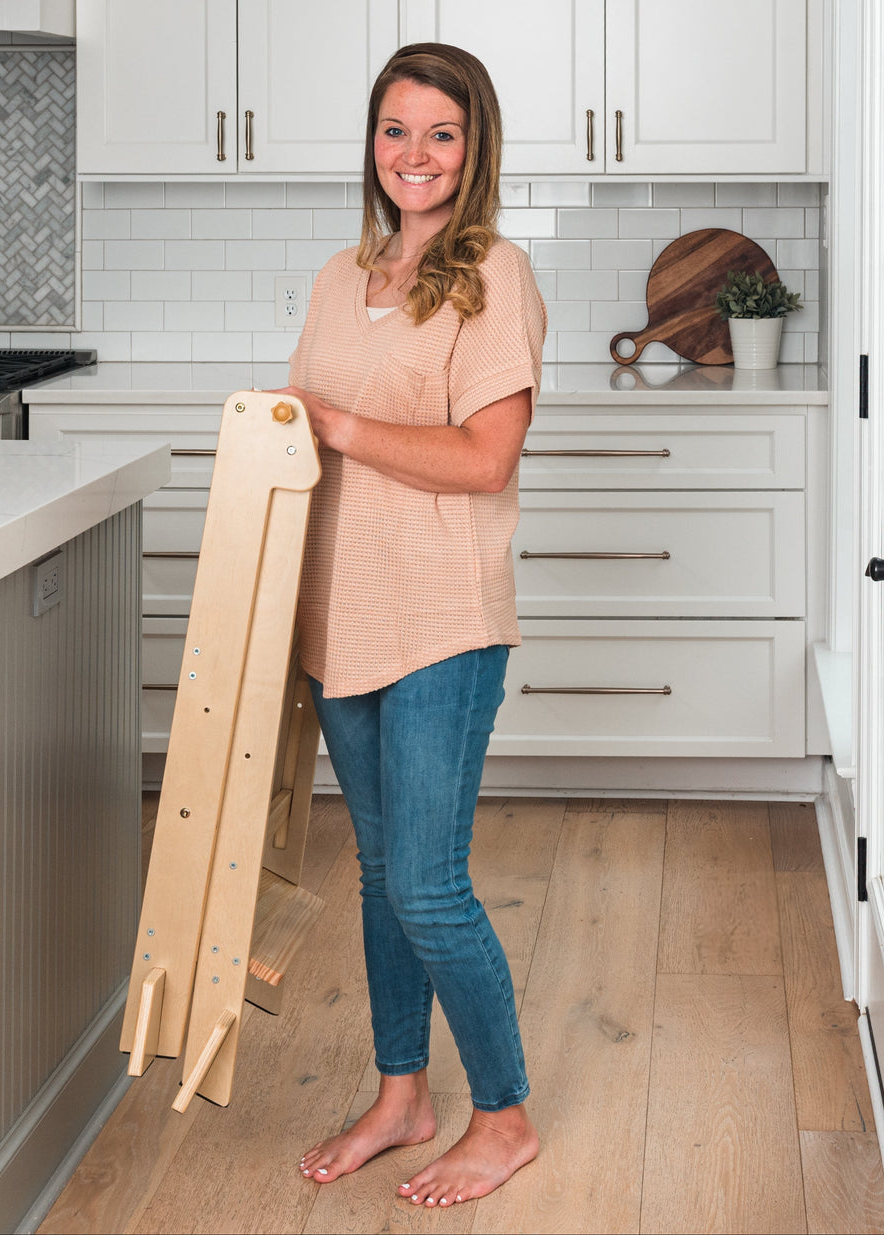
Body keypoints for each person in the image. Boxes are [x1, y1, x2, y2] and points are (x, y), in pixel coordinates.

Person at [274, 42, 546, 1208]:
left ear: (473, 148)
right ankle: (403, 1094)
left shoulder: (494, 275)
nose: (416, 156)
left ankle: (504, 1115)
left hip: (441, 614)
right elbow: (305, 425)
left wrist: (338, 428)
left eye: (441, 133)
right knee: (383, 869)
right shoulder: (344, 273)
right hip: (341, 609)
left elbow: (488, 459)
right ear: (372, 142)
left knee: (429, 884)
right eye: (397, 130)